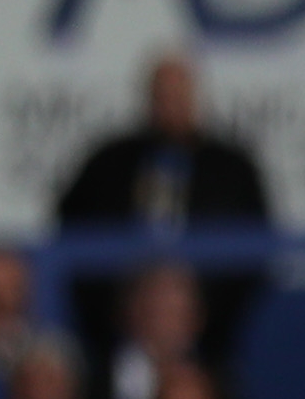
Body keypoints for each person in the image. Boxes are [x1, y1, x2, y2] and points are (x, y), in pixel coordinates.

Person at [55, 52, 275, 366]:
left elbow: (260, 250)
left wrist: (206, 310)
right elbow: (71, 237)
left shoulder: (233, 168)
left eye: (178, 94)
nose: (170, 104)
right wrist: (117, 308)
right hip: (112, 341)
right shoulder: (107, 164)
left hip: (214, 341)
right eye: (161, 95)